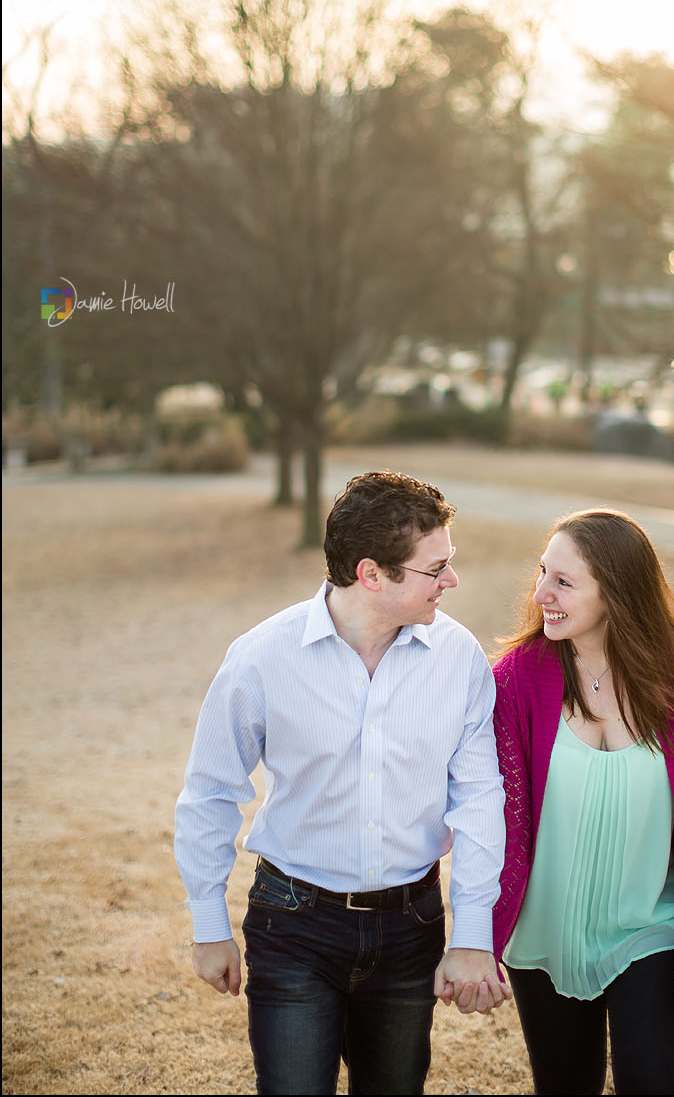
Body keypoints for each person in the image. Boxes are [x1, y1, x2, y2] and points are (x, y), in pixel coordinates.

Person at [174, 470, 511, 1096]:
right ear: (371, 574)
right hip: (292, 925)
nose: (452, 581)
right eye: (434, 569)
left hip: (411, 925)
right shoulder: (261, 657)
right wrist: (208, 923)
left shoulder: (460, 659)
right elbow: (211, 792)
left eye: (450, 563)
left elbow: (479, 799)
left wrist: (470, 936)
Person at [492, 508, 674, 1097]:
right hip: (544, 935)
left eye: (564, 582)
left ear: (617, 593)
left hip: (649, 925)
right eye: (543, 572)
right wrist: (481, 936)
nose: (540, 592)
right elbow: (500, 822)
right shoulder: (516, 679)